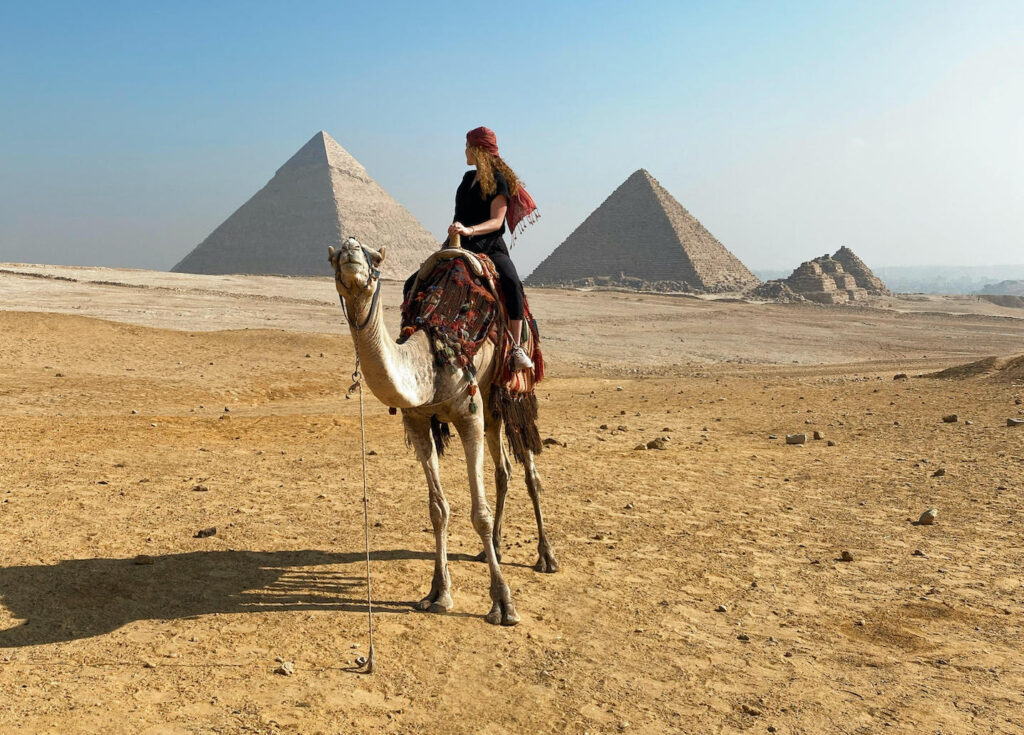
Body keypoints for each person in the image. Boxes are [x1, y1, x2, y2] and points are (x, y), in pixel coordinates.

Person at [405, 126, 539, 371]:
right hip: (460, 244)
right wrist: (457, 231)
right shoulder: (467, 179)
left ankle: (516, 348)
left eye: (467, 146)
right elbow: (460, 213)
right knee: (414, 282)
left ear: (478, 149)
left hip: (488, 245)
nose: (464, 151)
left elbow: (497, 222)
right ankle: (409, 333)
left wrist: (469, 230)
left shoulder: (499, 180)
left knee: (512, 283)